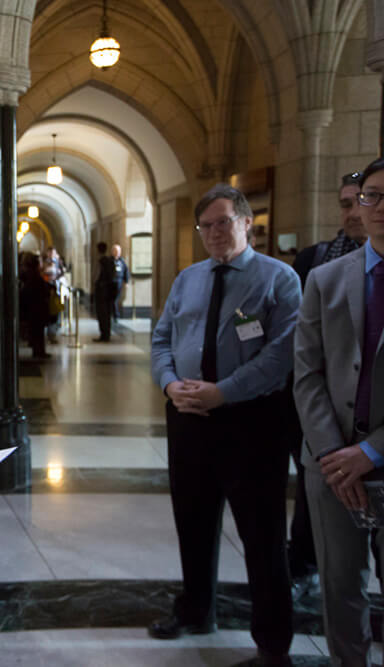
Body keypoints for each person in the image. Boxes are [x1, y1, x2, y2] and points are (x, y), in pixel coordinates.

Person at [149, 184, 300, 666]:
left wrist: (224, 392)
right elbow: (161, 339)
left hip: (252, 422)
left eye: (223, 222)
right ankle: (195, 610)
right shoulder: (187, 279)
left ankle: (272, 642)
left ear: (246, 223)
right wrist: (170, 384)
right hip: (188, 418)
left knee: (262, 534)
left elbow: (281, 355)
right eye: (206, 226)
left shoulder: (279, 279)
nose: (214, 233)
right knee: (192, 520)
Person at [293, 157, 384, 666]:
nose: (377, 207)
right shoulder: (325, 278)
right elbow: (307, 372)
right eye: (371, 195)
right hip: (331, 467)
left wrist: (370, 451)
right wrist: (332, 453)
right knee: (340, 588)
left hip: (377, 456)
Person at [285, 172, 368, 601]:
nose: (353, 212)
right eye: (346, 203)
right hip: (322, 416)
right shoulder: (316, 262)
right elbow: (302, 346)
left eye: (363, 200)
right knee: (314, 498)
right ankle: (304, 563)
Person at [20, 252, 54, 358]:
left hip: (34, 307)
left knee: (36, 330)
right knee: (38, 331)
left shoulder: (30, 276)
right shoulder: (34, 277)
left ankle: (38, 350)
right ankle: (39, 351)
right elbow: (40, 290)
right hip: (37, 307)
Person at [94, 241, 116, 341]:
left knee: (101, 314)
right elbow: (113, 275)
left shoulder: (100, 262)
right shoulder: (110, 261)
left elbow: (96, 276)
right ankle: (107, 334)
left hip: (101, 291)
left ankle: (104, 335)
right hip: (109, 291)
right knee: (107, 313)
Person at [111, 243, 131, 320]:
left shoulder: (122, 261)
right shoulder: (110, 261)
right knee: (113, 299)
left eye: (119, 251)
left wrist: (126, 281)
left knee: (115, 299)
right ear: (113, 251)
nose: (118, 253)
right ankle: (115, 314)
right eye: (116, 251)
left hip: (119, 281)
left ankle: (116, 314)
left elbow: (126, 271)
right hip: (112, 282)